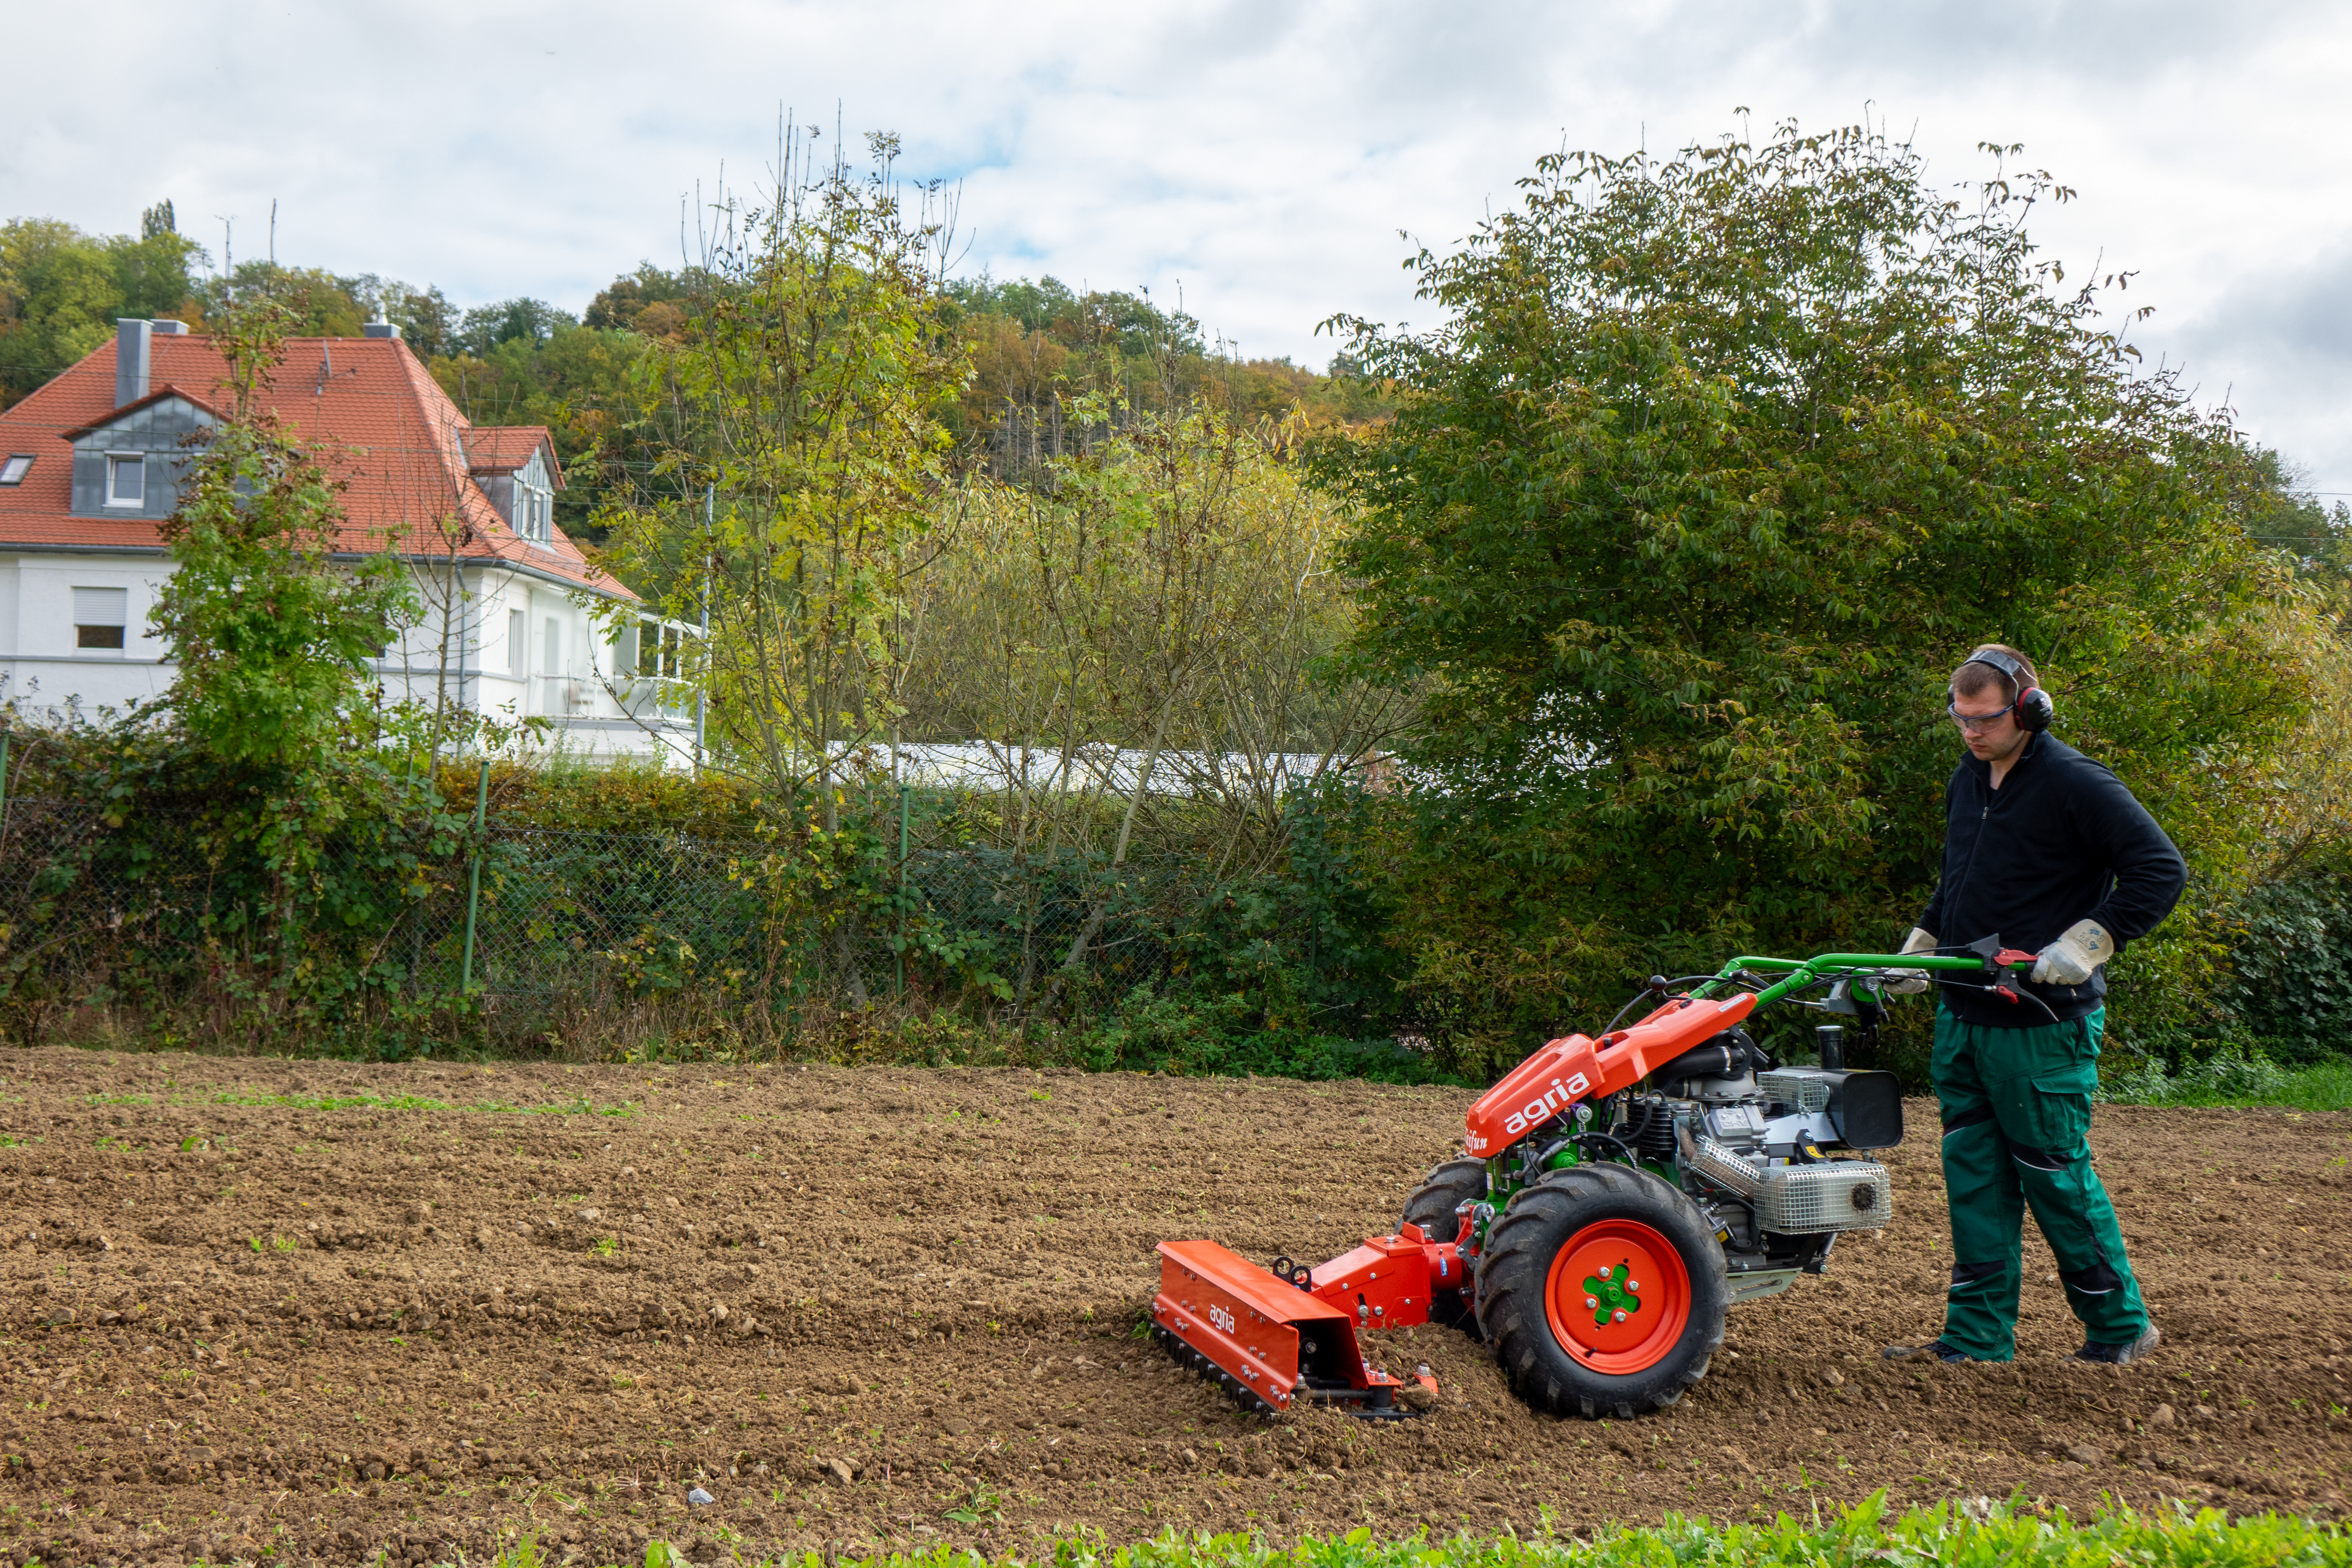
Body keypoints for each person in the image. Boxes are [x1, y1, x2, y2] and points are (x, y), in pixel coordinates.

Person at [1883, 644, 2185, 1367]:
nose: (1970, 733)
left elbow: (2159, 869)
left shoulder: (2075, 782)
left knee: (2053, 1175)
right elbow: (1960, 874)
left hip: (2040, 1024)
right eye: (1960, 720)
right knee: (1975, 1176)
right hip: (1964, 1011)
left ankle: (2119, 1327)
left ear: (2027, 710)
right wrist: (1922, 942)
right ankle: (1977, 1338)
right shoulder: (1971, 776)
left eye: (1983, 720)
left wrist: (2090, 939)